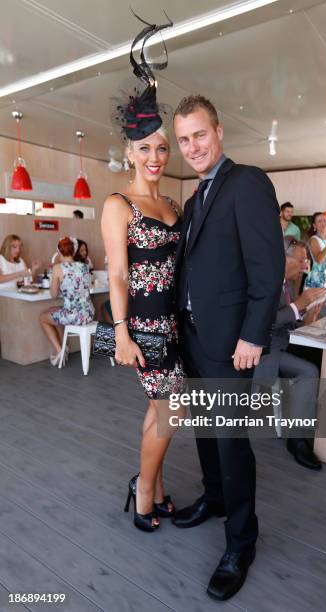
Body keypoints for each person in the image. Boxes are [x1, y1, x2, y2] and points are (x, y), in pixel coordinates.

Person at [173, 94, 285, 601]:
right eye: (184, 139)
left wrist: (253, 335)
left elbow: (268, 268)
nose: (192, 146)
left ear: (218, 133)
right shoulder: (196, 200)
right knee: (204, 431)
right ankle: (215, 498)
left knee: (231, 443)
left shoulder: (248, 182)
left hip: (231, 344)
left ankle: (241, 541)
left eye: (199, 134)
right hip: (195, 337)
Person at [101, 17, 184, 534]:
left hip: (174, 323)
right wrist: (120, 333)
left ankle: (143, 484)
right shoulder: (119, 203)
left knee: (163, 412)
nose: (155, 157)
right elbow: (116, 276)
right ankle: (145, 492)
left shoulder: (171, 201)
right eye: (145, 148)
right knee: (172, 410)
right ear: (129, 151)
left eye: (161, 147)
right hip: (145, 329)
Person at [254, 237, 326, 470]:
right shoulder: (266, 282)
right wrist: (299, 304)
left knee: (321, 357)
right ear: (284, 258)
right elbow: (263, 323)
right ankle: (296, 440)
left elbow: (289, 320)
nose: (306, 266)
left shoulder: (286, 283)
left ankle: (307, 417)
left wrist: (308, 316)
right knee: (309, 371)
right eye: (302, 260)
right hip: (266, 350)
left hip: (284, 342)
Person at [39, 237, 95, 365]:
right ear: (74, 251)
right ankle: (62, 348)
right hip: (89, 313)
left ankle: (60, 351)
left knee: (42, 317)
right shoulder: (84, 266)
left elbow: (53, 294)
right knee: (53, 310)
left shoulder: (58, 268)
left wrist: (56, 280)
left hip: (74, 316)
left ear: (59, 252)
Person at [304, 212, 326, 289]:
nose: (323, 223)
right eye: (319, 221)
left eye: (324, 220)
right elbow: (318, 260)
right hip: (318, 279)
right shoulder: (314, 239)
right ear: (314, 225)